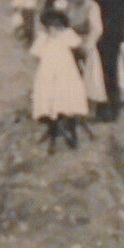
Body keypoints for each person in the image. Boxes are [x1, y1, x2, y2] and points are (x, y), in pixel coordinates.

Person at [29, 8, 89, 154]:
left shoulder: (67, 35)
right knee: (49, 96)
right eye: (50, 26)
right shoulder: (43, 38)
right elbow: (36, 53)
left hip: (65, 73)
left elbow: (78, 46)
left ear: (61, 26)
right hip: (48, 73)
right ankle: (53, 128)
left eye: (56, 26)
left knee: (66, 96)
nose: (53, 29)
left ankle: (70, 130)